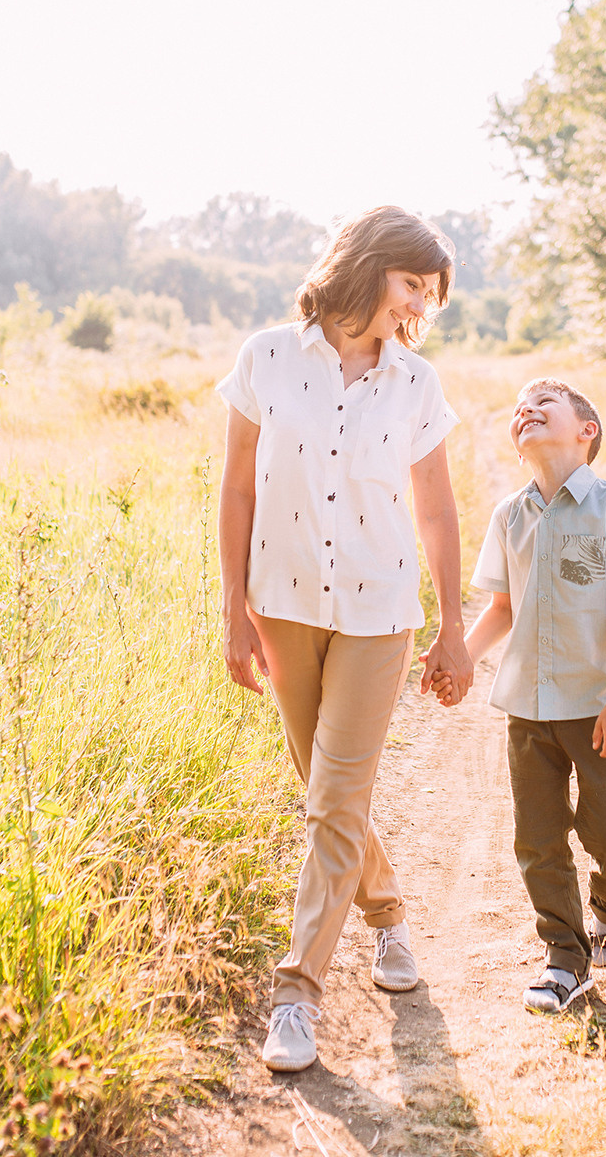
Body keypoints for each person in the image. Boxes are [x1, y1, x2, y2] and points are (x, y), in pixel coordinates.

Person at [216, 206, 476, 1073]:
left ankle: (297, 994)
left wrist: (454, 626)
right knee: (324, 784)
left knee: (333, 794)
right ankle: (389, 913)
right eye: (412, 284)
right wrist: (231, 606)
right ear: (371, 266)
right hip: (281, 603)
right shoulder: (266, 357)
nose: (418, 306)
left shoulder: (415, 383)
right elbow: (238, 489)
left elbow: (436, 510)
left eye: (428, 294)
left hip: (379, 610)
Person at [452, 378, 606, 1013]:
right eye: (519, 408)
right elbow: (503, 609)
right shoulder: (508, 516)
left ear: (585, 430)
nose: (527, 410)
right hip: (528, 710)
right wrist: (457, 652)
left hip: (598, 708)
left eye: (545, 403)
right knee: (538, 838)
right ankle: (565, 958)